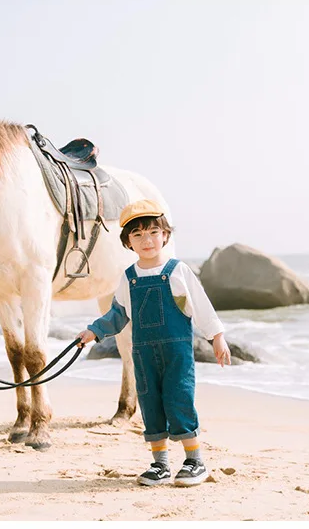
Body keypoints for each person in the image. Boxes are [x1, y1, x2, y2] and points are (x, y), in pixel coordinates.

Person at [76, 199, 231, 487]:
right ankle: (160, 465)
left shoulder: (177, 271)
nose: (146, 240)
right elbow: (117, 314)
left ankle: (194, 461)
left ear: (165, 235)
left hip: (177, 353)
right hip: (143, 354)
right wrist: (93, 332)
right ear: (128, 242)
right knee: (150, 404)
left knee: (179, 400)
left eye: (152, 232)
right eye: (137, 235)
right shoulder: (129, 278)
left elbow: (201, 306)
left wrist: (217, 337)